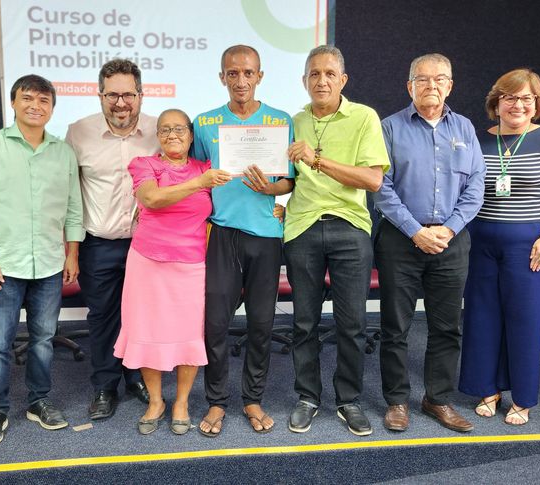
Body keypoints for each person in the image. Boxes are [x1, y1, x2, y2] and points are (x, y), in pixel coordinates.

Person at [0, 75, 84, 447]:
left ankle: (38, 401)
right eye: (27, 98)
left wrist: (72, 253)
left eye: (44, 100)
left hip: (49, 262)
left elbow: (73, 209)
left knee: (44, 339)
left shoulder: (63, 152)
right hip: (3, 264)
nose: (35, 106)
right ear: (13, 103)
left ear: (52, 108)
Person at [374, 53, 485, 433]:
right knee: (395, 327)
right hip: (400, 239)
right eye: (422, 79)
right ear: (410, 86)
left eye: (439, 79)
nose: (431, 85)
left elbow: (476, 186)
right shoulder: (389, 127)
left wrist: (449, 229)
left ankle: (437, 398)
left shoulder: (465, 128)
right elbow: (380, 187)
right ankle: (397, 401)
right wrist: (415, 231)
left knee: (446, 327)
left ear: (450, 86)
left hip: (451, 241)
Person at [285, 45, 390, 436]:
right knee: (303, 322)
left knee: (352, 323)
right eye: (314, 74)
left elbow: (373, 179)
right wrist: (272, 198)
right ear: (304, 81)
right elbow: (288, 179)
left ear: (343, 80)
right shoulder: (294, 121)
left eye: (330, 73)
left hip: (349, 226)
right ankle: (307, 397)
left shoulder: (364, 117)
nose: (322, 80)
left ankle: (348, 400)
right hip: (302, 227)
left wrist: (317, 160)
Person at [459, 69, 540, 425]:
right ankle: (486, 389)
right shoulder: (478, 140)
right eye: (510, 97)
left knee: (525, 319)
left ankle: (522, 398)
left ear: (537, 104)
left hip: (529, 245)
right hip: (480, 241)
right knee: (481, 316)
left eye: (526, 98)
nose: (518, 105)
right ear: (496, 102)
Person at [192, 45, 294, 436]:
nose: (241, 80)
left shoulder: (280, 120)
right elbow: (197, 179)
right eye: (232, 73)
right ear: (222, 77)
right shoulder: (205, 123)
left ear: (259, 76)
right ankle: (217, 401)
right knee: (216, 323)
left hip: (265, 235)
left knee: (261, 323)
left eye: (248, 73)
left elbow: (289, 181)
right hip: (221, 233)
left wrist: (272, 191)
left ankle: (253, 398)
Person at [114, 109, 231, 435]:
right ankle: (156, 401)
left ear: (191, 136)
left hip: (191, 266)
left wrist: (273, 206)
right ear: (158, 136)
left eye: (179, 129)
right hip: (147, 264)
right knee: (147, 332)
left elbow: (231, 200)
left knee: (188, 334)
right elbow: (152, 198)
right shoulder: (144, 165)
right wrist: (199, 184)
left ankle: (181, 402)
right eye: (165, 129)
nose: (172, 135)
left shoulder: (206, 168)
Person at [66, 59, 157, 420]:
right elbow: (71, 194)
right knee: (103, 316)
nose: (121, 103)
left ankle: (136, 376)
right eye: (112, 95)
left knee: (142, 315)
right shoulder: (78, 132)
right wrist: (72, 249)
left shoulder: (160, 130)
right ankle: (105, 385)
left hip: (146, 244)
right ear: (100, 95)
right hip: (99, 243)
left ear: (141, 95)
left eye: (128, 95)